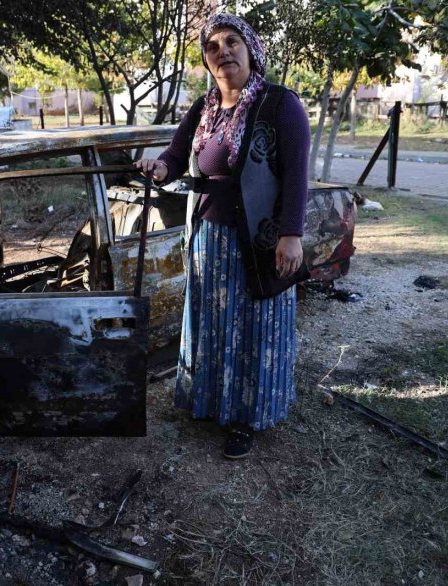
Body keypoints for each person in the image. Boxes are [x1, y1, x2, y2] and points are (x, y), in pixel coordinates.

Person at [135, 13, 310, 459]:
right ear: (207, 61)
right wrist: (160, 167)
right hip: (208, 240)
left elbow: (296, 176)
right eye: (213, 47)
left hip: (259, 239)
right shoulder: (204, 108)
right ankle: (210, 402)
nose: (223, 52)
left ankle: (246, 418)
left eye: (232, 42)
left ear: (250, 49)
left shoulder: (279, 104)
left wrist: (292, 233)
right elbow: (176, 156)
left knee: (254, 329)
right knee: (213, 327)